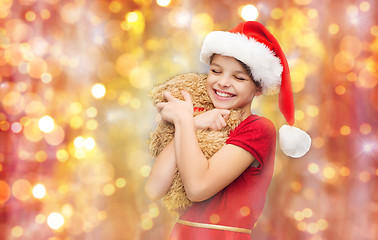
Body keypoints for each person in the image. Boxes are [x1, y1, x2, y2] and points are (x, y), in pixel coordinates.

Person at [145, 21, 311, 240]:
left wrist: (185, 121)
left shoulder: (259, 129)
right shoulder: (200, 122)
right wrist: (194, 124)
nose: (222, 82)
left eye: (239, 77)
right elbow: (153, 189)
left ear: (258, 87)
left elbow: (198, 187)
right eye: (215, 71)